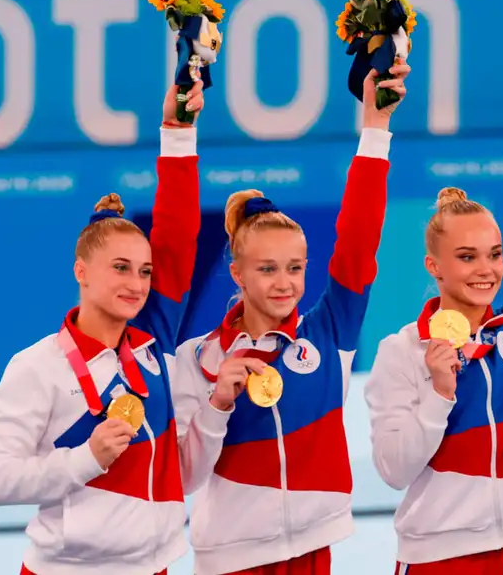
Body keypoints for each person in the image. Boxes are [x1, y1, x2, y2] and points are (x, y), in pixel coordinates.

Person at [0, 82, 231, 575]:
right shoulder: (38, 366)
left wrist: (179, 131)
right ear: (81, 271)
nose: (136, 283)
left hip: (154, 565)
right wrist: (86, 458)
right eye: (120, 268)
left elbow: (178, 236)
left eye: (143, 271)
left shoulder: (151, 347)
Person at [170, 59, 410, 575]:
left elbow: (359, 242)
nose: (285, 283)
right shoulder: (198, 358)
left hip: (313, 548)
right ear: (236, 272)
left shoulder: (330, 333)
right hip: (230, 559)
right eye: (268, 269)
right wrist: (216, 405)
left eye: (296, 268)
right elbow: (185, 478)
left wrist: (376, 129)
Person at [364, 53, 503, 575]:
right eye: (466, 258)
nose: (486, 271)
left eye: (494, 254)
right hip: (438, 557)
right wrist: (438, 394)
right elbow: (394, 471)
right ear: (433, 267)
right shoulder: (401, 352)